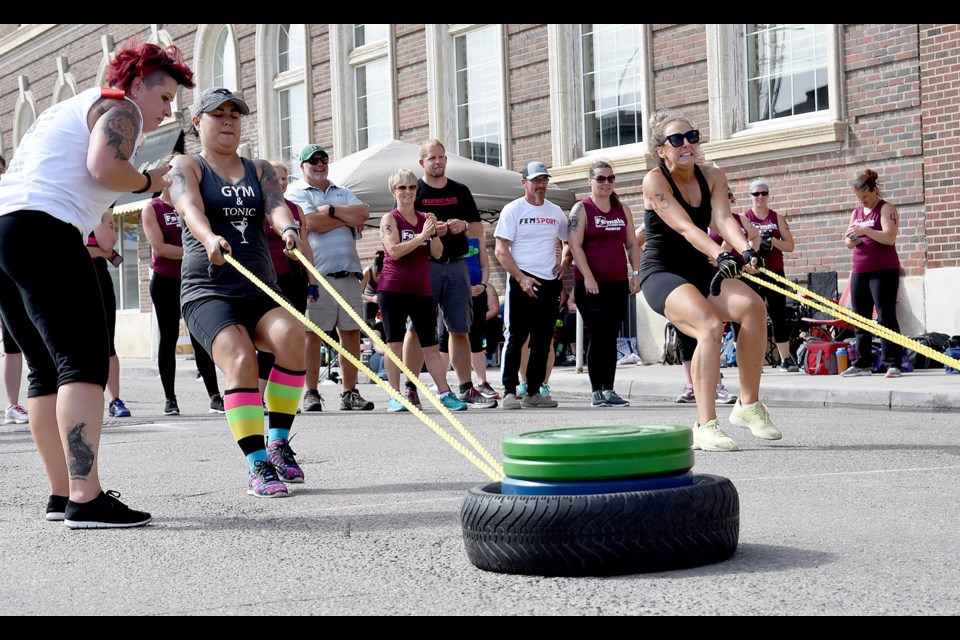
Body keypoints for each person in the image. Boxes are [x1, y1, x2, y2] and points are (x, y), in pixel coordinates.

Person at [0, 40, 194, 527]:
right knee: (83, 364)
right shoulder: (118, 105)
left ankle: (62, 494)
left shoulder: (69, 108)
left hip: (7, 229)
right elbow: (104, 167)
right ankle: (86, 499)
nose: (167, 109)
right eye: (165, 97)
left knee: (45, 368)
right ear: (135, 85)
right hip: (43, 229)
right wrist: (152, 182)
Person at [170, 86, 307, 498]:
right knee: (242, 358)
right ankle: (257, 463)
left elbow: (275, 204)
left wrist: (288, 228)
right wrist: (209, 237)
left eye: (234, 113)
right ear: (198, 123)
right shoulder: (186, 164)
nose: (228, 120)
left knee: (294, 338)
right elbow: (188, 206)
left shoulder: (258, 168)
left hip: (260, 284)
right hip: (208, 288)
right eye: (217, 114)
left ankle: (278, 443)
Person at [639, 109, 780, 452]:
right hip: (663, 272)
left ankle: (747, 406)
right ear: (662, 150)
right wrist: (720, 254)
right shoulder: (655, 181)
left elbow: (722, 218)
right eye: (676, 140)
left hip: (699, 269)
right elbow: (685, 227)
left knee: (752, 307)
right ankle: (705, 425)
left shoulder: (713, 175)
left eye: (692, 136)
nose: (686, 144)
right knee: (709, 328)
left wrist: (746, 249)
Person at [403, 139, 495, 409]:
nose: (438, 162)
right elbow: (404, 229)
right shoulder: (414, 191)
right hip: (424, 266)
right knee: (416, 328)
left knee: (459, 328)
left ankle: (466, 387)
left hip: (457, 264)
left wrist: (463, 224)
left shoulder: (460, 190)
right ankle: (410, 387)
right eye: (432, 158)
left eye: (441, 157)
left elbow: (479, 230)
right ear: (422, 163)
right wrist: (430, 231)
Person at [285, 144, 375, 412]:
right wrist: (343, 219)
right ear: (302, 166)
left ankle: (350, 392)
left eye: (323, 159)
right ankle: (311, 392)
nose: (319, 164)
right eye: (312, 160)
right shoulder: (295, 191)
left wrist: (330, 211)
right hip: (317, 275)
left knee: (351, 333)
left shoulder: (342, 191)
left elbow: (363, 214)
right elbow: (310, 223)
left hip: (348, 271)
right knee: (312, 334)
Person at [377, 168, 468, 413]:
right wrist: (422, 235)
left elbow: (437, 253)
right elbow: (394, 250)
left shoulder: (424, 217)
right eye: (402, 188)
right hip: (393, 287)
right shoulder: (390, 219)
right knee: (394, 342)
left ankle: (444, 393)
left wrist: (434, 235)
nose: (407, 192)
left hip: (421, 288)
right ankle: (396, 395)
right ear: (393, 191)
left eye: (412, 187)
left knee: (430, 344)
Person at [142, 179, 226, 416]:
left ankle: (215, 396)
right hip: (166, 281)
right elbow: (160, 247)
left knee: (201, 337)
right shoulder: (154, 208)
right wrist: (197, 251)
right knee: (168, 338)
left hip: (194, 278)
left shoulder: (192, 205)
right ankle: (170, 398)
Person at [566, 159, 642, 408]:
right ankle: (596, 390)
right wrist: (587, 276)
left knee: (610, 337)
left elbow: (631, 243)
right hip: (590, 285)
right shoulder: (582, 209)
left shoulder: (622, 208)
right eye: (600, 178)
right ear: (590, 181)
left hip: (617, 283)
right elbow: (574, 245)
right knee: (598, 336)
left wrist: (636, 273)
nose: (606, 183)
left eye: (610, 178)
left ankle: (609, 389)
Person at [494, 160, 569, 410]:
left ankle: (534, 391)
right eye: (536, 180)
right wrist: (520, 277)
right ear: (524, 182)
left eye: (544, 180)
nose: (540, 185)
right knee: (516, 337)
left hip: (549, 281)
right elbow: (500, 250)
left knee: (543, 338)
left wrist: (564, 262)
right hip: (522, 279)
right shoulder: (513, 210)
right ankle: (508, 390)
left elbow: (569, 241)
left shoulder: (555, 211)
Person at [256, 160, 319, 411]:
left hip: (294, 277)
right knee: (269, 341)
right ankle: (258, 397)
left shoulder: (294, 209)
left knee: (293, 340)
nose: (280, 183)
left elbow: (305, 245)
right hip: (266, 278)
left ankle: (284, 400)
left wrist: (312, 280)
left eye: (284, 178)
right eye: (275, 178)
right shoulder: (257, 208)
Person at [841, 168, 903, 378]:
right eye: (859, 198)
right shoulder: (856, 212)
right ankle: (862, 363)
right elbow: (848, 242)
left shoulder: (886, 209)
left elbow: (889, 237)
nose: (863, 201)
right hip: (860, 269)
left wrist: (865, 231)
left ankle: (893, 362)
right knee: (861, 318)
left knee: (885, 316)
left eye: (865, 197)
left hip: (883, 270)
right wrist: (851, 238)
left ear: (874, 191)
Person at [740, 179, 799, 372]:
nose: (760, 197)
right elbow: (738, 245)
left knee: (778, 315)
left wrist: (773, 241)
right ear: (750, 196)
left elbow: (790, 245)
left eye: (764, 193)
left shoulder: (777, 217)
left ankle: (785, 359)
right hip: (752, 273)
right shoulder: (744, 217)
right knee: (750, 316)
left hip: (774, 272)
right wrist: (753, 246)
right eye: (756, 194)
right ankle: (751, 359)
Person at [438, 236, 499, 401]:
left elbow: (485, 266)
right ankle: (441, 385)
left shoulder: (477, 239)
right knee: (446, 338)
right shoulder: (446, 237)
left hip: (477, 292)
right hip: (453, 292)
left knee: (475, 336)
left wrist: (483, 286)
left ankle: (482, 382)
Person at [86, 210, 132, 419]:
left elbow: (108, 244)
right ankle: (79, 400)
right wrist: (100, 252)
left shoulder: (101, 208)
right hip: (69, 275)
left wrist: (98, 213)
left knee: (108, 343)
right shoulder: (64, 206)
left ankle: (115, 400)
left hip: (99, 277)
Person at [360, 250, 384, 325]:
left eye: (381, 274)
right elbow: (357, 293)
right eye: (376, 274)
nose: (379, 277)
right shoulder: (367, 272)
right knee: (368, 321)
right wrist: (371, 299)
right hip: (370, 297)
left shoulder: (390, 271)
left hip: (385, 297)